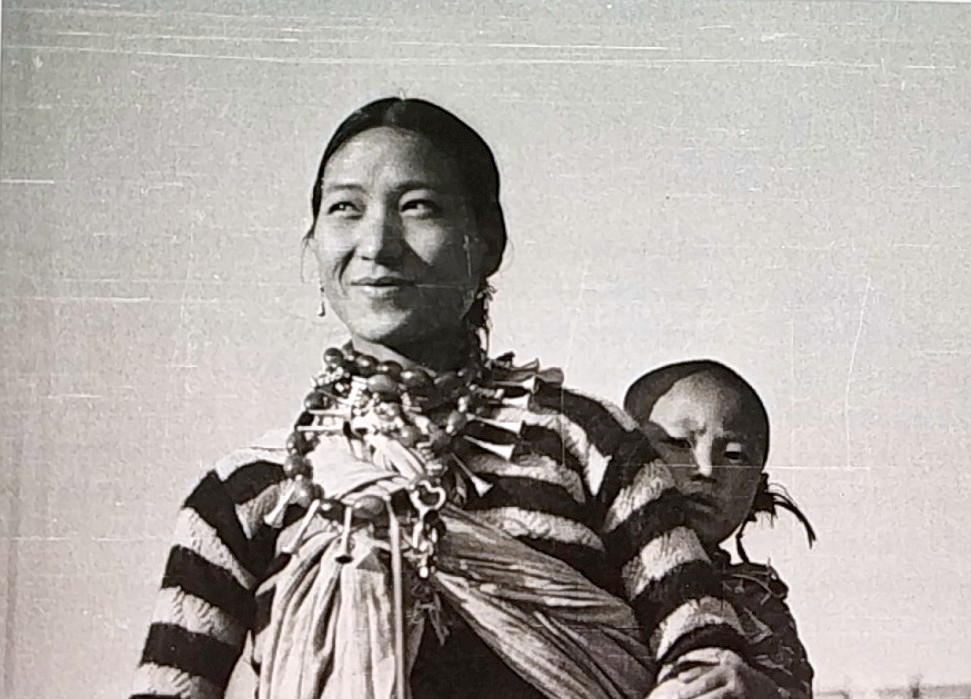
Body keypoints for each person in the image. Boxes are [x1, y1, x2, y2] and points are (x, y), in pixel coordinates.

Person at [129, 98, 753, 699]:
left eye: (418, 207)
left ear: (487, 244)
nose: (377, 244)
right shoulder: (244, 493)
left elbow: (704, 650)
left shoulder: (586, 438)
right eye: (345, 208)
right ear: (313, 244)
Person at [624, 359, 816, 699]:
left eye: (734, 455)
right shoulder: (582, 562)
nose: (707, 468)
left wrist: (755, 690)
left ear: (757, 486)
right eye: (678, 443)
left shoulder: (757, 603)